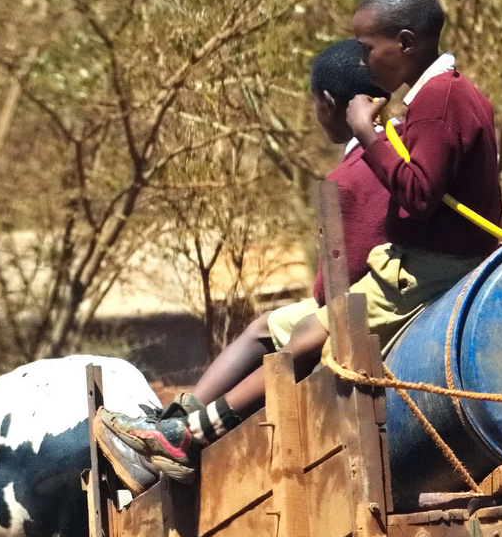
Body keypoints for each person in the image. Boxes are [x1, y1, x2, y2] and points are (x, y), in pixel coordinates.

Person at [102, 0, 502, 480]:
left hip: (427, 269)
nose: (364, 58)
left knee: (305, 341)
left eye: (367, 47)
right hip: (419, 262)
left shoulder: (440, 99)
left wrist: (364, 131)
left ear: (405, 43)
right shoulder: (443, 95)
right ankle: (183, 424)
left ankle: (190, 437)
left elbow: (420, 195)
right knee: (293, 331)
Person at [97, 38, 390, 480]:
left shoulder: (351, 176)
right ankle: (177, 420)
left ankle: (182, 427)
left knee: (268, 335)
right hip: (377, 290)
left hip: (355, 302)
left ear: (329, 103)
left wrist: (321, 298)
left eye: (314, 104)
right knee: (264, 326)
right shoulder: (398, 149)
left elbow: (340, 275)